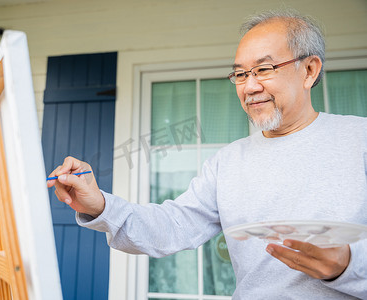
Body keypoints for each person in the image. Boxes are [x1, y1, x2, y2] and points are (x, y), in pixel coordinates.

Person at [47, 9, 367, 299]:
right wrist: (99, 204)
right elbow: (172, 227)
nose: (249, 86)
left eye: (264, 69)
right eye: (240, 74)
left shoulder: (360, 140)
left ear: (309, 70)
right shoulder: (226, 163)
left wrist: (346, 265)